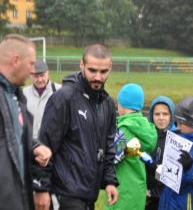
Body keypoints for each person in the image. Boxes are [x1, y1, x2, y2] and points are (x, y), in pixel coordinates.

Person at [33, 43, 119, 210]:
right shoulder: (64, 98)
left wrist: (109, 181)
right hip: (63, 194)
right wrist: (41, 188)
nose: (98, 77)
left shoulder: (107, 103)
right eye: (92, 70)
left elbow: (108, 145)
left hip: (88, 196)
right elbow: (45, 145)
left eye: (103, 72)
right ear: (82, 65)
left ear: (110, 68)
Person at [0, 34, 52, 210]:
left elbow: (11, 140)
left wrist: (33, 146)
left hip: (16, 199)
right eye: (31, 64)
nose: (33, 71)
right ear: (15, 61)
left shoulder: (15, 95)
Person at [106, 83, 157, 210]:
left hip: (122, 189)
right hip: (138, 189)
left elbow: (111, 158)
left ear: (121, 104)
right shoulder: (144, 127)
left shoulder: (124, 129)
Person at [146, 96, 177, 210]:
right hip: (145, 196)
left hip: (165, 199)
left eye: (165, 114)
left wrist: (153, 193)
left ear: (172, 116)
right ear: (151, 115)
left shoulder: (175, 139)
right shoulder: (147, 137)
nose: (161, 118)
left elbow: (172, 173)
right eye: (157, 114)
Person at [23, 60, 62, 138]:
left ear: (48, 74)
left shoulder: (59, 91)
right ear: (30, 76)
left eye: (42, 75)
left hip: (53, 143)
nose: (40, 79)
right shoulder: (24, 93)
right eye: (36, 76)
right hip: (31, 143)